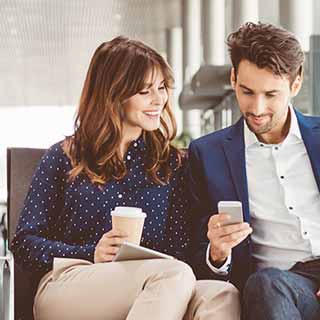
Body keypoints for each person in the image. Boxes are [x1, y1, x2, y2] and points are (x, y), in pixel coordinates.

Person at [11, 36, 240, 320]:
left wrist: (216, 253)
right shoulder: (65, 156)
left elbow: (179, 251)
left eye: (161, 88)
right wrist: (91, 252)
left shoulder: (170, 164)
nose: (159, 100)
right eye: (146, 91)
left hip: (156, 284)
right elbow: (24, 243)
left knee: (221, 295)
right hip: (70, 282)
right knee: (173, 276)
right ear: (113, 94)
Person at [187, 22, 320, 320]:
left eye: (271, 95)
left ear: (295, 84)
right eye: (247, 92)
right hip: (277, 289)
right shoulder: (207, 155)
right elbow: (195, 251)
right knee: (266, 283)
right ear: (233, 78)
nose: (257, 109)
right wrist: (217, 252)